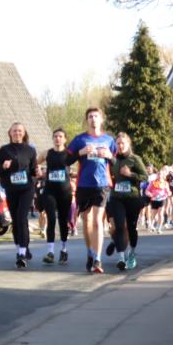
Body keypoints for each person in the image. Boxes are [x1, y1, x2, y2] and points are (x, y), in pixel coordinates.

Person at [67, 107, 116, 274]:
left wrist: (110, 156)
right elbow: (66, 159)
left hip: (102, 185)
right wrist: (80, 152)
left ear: (101, 119)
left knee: (97, 221)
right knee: (87, 222)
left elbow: (117, 161)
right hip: (83, 185)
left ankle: (97, 258)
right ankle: (90, 252)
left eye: (96, 116)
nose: (93, 119)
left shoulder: (109, 140)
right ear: (86, 120)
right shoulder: (80, 139)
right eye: (90, 117)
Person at [0, 123, 38, 268]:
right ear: (10, 133)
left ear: (23, 133)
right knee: (16, 221)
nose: (17, 133)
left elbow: (33, 170)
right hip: (11, 189)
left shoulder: (30, 150)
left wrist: (37, 172)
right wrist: (3, 167)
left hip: (26, 189)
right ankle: (20, 248)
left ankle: (22, 253)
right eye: (14, 131)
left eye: (19, 131)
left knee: (22, 218)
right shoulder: (4, 150)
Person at [104, 133, 148, 270]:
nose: (120, 146)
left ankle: (132, 253)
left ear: (128, 144)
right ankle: (121, 257)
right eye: (118, 143)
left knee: (131, 228)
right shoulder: (113, 159)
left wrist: (130, 174)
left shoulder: (135, 159)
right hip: (117, 198)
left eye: (123, 143)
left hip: (132, 198)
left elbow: (145, 177)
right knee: (119, 226)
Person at [40, 128, 73, 265]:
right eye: (55, 136)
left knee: (62, 221)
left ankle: (64, 250)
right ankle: (50, 252)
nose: (57, 138)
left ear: (65, 139)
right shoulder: (47, 153)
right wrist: (37, 171)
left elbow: (82, 160)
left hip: (65, 192)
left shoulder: (69, 154)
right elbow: (34, 162)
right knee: (51, 219)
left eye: (60, 136)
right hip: (50, 191)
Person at [145, 167, 172, 233]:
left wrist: (168, 193)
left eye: (161, 175)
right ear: (157, 175)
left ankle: (159, 228)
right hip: (154, 200)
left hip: (162, 199)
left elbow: (169, 192)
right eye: (158, 174)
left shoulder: (165, 183)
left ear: (163, 176)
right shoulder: (153, 182)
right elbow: (147, 191)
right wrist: (150, 194)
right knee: (153, 215)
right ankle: (151, 225)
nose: (160, 176)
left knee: (160, 214)